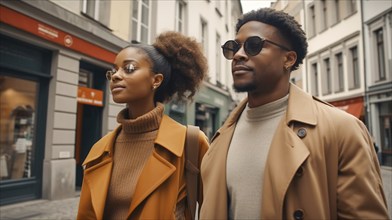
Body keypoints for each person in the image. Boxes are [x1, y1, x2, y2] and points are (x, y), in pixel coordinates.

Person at [200, 8, 389, 220]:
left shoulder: (342, 130)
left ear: (288, 59)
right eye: (233, 47)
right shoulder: (220, 137)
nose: (238, 55)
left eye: (253, 45)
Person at [77, 31, 209, 220]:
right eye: (114, 70)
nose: (116, 76)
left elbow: (215, 209)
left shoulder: (190, 143)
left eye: (129, 68)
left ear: (156, 80)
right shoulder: (99, 150)